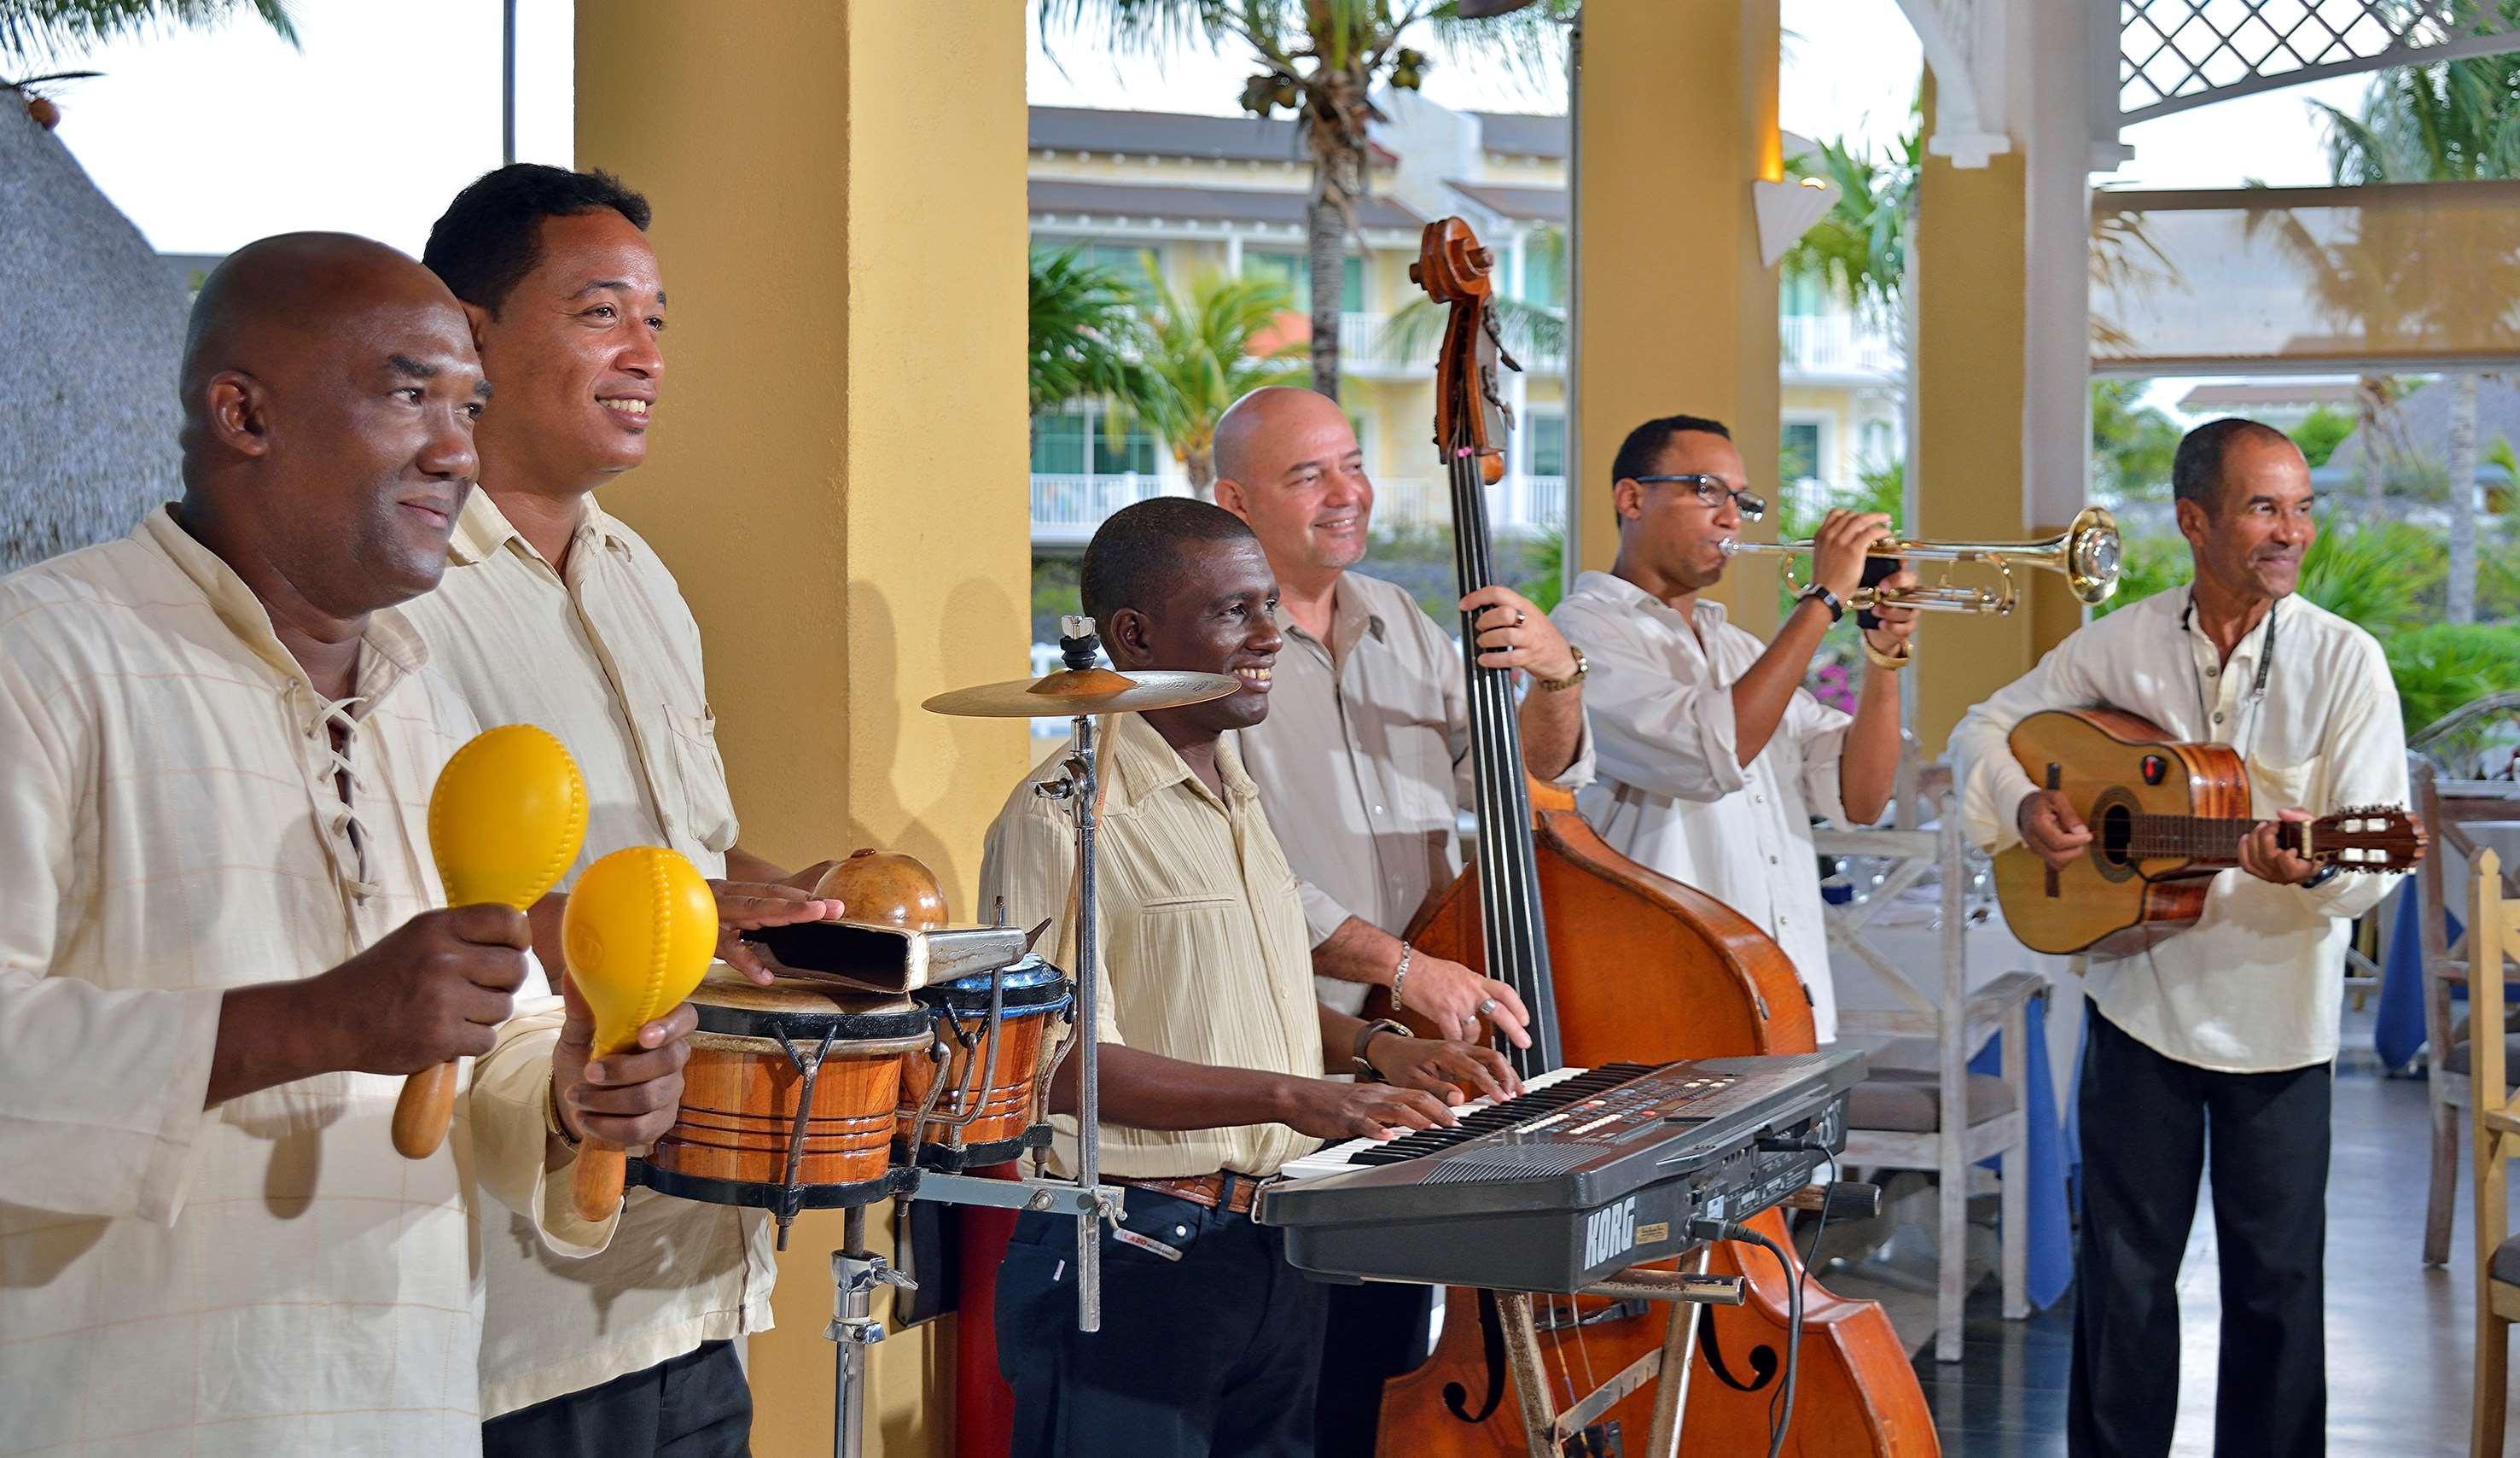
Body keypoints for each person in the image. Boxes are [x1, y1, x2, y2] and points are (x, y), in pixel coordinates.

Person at [0, 233, 695, 1456]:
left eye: (467, 406)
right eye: (407, 393)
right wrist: (321, 1021)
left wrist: (572, 1092)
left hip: (402, 1405)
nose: (457, 452)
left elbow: (468, 1068)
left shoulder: (428, 705)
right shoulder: (42, 657)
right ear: (243, 413)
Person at [404, 164, 843, 1453]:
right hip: (510, 1302)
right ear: (467, 330)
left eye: (658, 319)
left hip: (695, 1270)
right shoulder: (394, 584)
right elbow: (393, 905)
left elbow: (683, 852)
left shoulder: (642, 575)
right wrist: (670, 920)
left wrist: (794, 901)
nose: (645, 352)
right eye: (602, 311)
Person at [981, 497, 1521, 1458]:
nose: (1272, 634)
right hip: (1137, 1253)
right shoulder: (1062, 815)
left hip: (1268, 1245)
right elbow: (1051, 1066)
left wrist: (1383, 1049)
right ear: (1133, 635)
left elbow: (1245, 995)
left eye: (1270, 604)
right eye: (1237, 611)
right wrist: (1301, 1098)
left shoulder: (1235, 790)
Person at [1947, 418, 2407, 1458]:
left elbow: (2375, 847)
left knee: (2277, 1288)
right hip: (2138, 997)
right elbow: (1981, 727)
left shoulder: (2347, 661)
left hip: (2279, 1018)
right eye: (2262, 507)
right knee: (2123, 1286)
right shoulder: (2124, 640)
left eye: (2300, 507)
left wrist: (2323, 865)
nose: (2290, 531)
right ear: (2192, 520)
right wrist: (2025, 805)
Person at [1216, 385, 1591, 1047]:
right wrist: (1402, 969)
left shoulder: (1405, 622)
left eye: (1353, 466)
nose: (1346, 494)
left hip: (1437, 1016)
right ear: (1234, 502)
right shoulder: (1209, 654)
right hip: (1287, 1032)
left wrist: (1557, 680)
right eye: (1309, 476)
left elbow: (1518, 784)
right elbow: (1224, 868)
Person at [1549, 413, 1918, 1041]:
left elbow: (1862, 797)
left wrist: (1882, 657)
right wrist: (1823, 599)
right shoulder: (1581, 634)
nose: (1730, 517)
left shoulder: (1740, 652)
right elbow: (1707, 752)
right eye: (1705, 490)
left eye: (1739, 500)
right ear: (1631, 497)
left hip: (1792, 1006)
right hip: (1673, 1006)